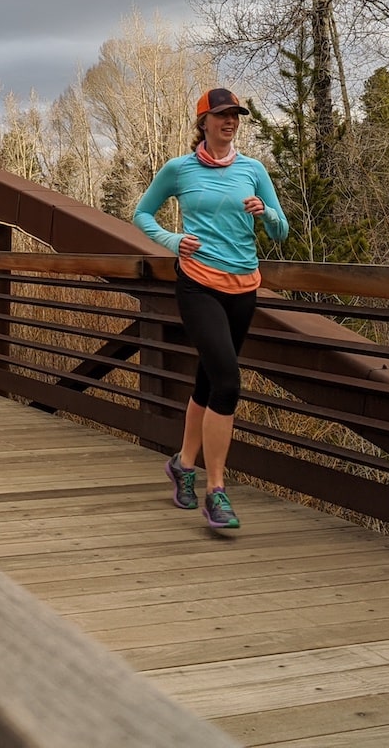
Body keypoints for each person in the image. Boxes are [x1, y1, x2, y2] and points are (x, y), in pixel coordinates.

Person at [132, 87, 288, 529]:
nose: (230, 122)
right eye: (221, 115)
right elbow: (142, 215)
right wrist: (174, 241)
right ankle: (215, 489)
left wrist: (267, 215)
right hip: (198, 283)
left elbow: (281, 231)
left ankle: (182, 464)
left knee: (208, 382)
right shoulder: (179, 170)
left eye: (235, 115)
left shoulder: (253, 170)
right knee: (227, 380)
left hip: (244, 285)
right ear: (203, 122)